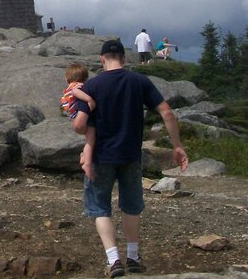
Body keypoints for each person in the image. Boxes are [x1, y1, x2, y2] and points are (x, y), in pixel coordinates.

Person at [73, 39, 188, 278]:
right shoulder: (140, 81)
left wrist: (85, 133)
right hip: (131, 155)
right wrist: (177, 146)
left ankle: (114, 260)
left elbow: (81, 125)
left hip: (101, 156)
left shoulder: (91, 87)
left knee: (99, 207)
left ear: (102, 58)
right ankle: (133, 257)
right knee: (131, 205)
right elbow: (166, 112)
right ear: (124, 59)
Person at [60, 62, 96, 174]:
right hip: (79, 114)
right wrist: (89, 100)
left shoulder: (71, 86)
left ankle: (83, 155)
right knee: (91, 140)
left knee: (89, 139)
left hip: (74, 114)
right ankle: (87, 163)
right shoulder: (77, 87)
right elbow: (76, 93)